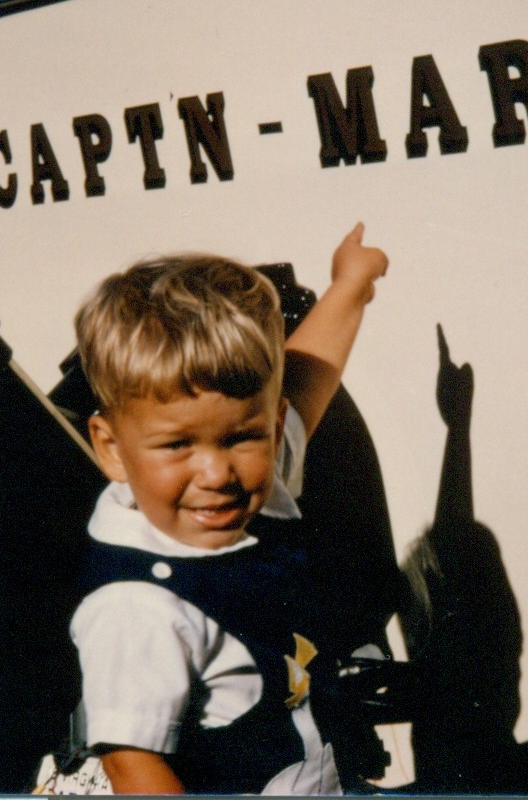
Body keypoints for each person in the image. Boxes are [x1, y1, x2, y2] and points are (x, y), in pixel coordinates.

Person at [69, 224, 388, 795]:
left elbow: (310, 375)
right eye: (176, 446)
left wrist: (351, 284)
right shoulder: (136, 606)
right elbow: (133, 766)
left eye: (242, 438)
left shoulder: (254, 488)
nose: (217, 475)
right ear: (112, 449)